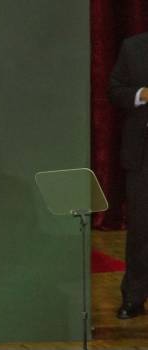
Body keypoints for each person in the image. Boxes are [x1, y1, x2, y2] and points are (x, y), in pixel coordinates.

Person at [109, 32, 148, 319]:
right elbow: (115, 90)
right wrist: (141, 94)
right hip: (142, 155)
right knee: (140, 230)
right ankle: (134, 296)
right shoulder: (133, 46)